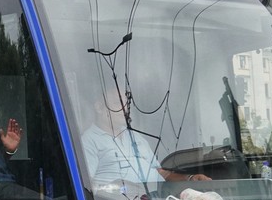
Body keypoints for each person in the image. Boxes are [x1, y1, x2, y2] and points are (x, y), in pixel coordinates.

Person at [81, 76, 210, 191]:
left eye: (126, 103)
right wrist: (118, 189)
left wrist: (189, 178)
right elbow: (87, 186)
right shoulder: (89, 141)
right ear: (99, 107)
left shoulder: (136, 138)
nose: (125, 108)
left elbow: (161, 173)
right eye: (117, 103)